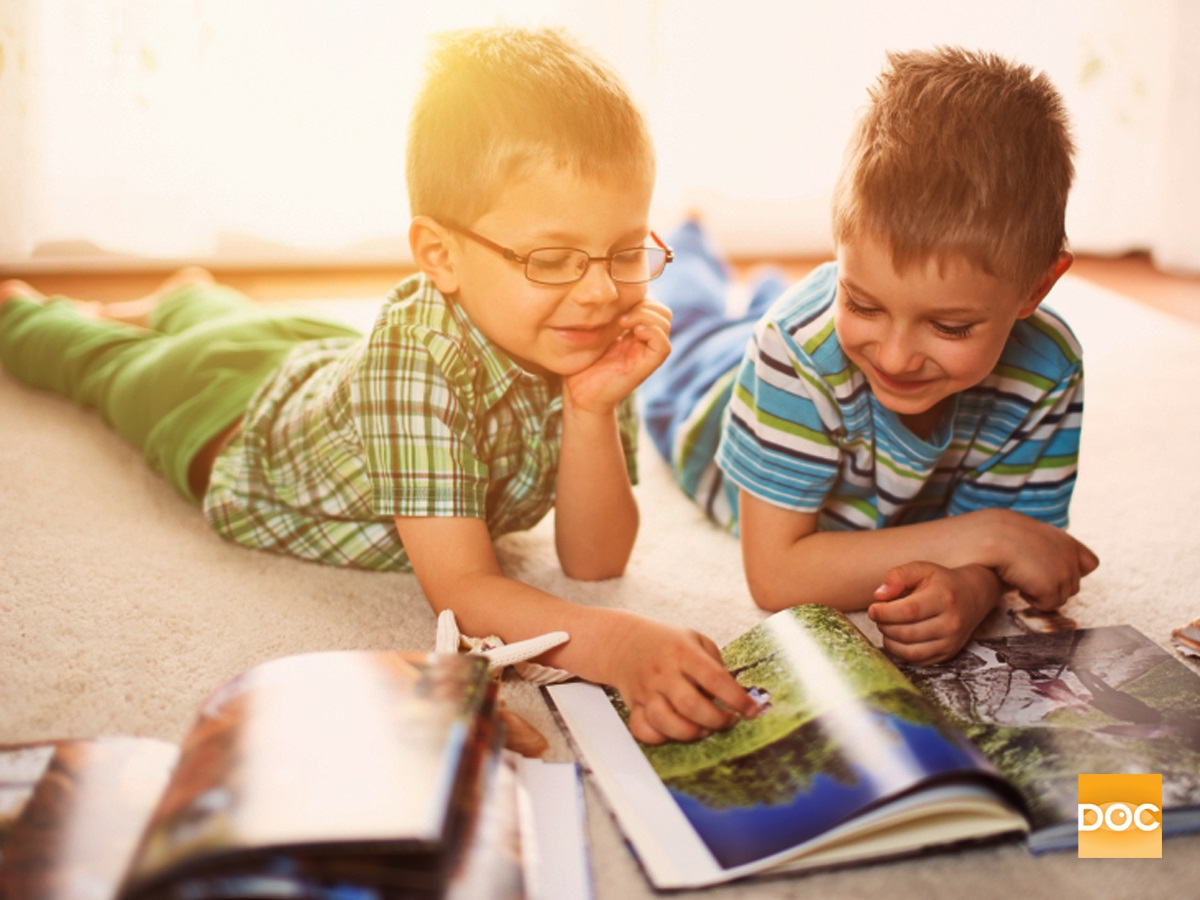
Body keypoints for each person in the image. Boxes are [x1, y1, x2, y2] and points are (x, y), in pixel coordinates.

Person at [0, 26, 758, 744]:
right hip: (220, 413)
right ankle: (33, 308)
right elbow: (462, 588)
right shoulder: (415, 362)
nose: (599, 291)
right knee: (93, 361)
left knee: (225, 322)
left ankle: (187, 295)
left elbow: (596, 562)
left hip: (312, 355)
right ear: (439, 254)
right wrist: (617, 644)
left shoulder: (578, 335)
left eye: (624, 249)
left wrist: (590, 410)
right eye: (553, 258)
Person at [641, 47, 1100, 666]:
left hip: (807, 340)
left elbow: (1009, 559)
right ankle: (691, 236)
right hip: (706, 388)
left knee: (790, 312)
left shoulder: (1047, 371)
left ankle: (791, 290)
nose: (896, 356)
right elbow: (777, 574)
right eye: (862, 300)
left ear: (1036, 288)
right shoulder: (794, 350)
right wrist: (989, 536)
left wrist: (971, 587)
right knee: (687, 308)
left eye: (948, 325)